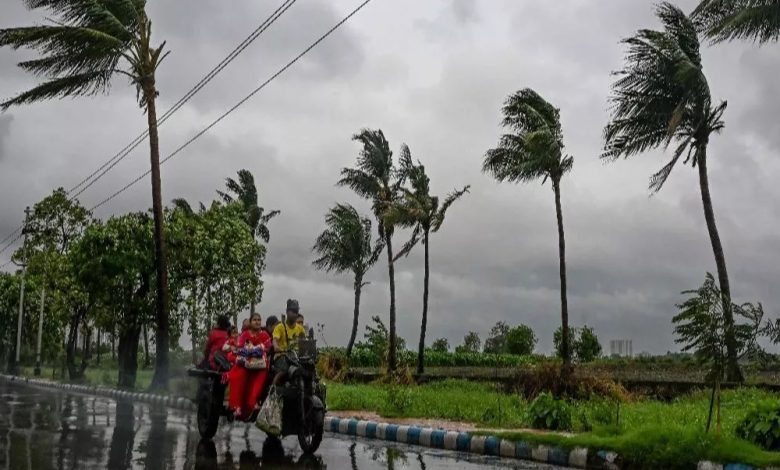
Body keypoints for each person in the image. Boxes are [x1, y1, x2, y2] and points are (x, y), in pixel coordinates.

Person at [228, 312, 272, 420]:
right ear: (250, 322)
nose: (257, 322)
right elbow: (240, 348)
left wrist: (257, 349)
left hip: (260, 366)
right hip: (247, 364)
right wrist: (254, 349)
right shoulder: (245, 334)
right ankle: (237, 406)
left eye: (259, 320)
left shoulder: (265, 335)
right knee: (239, 375)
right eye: (255, 320)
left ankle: (253, 404)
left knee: (258, 384)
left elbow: (268, 348)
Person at [271, 299, 306, 386]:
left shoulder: (300, 328)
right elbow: (274, 339)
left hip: (296, 357)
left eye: (296, 311)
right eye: (292, 311)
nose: (295, 314)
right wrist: (276, 347)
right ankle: (272, 391)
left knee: (309, 370)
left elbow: (304, 342)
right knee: (284, 369)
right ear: (287, 312)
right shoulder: (280, 327)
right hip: (282, 356)